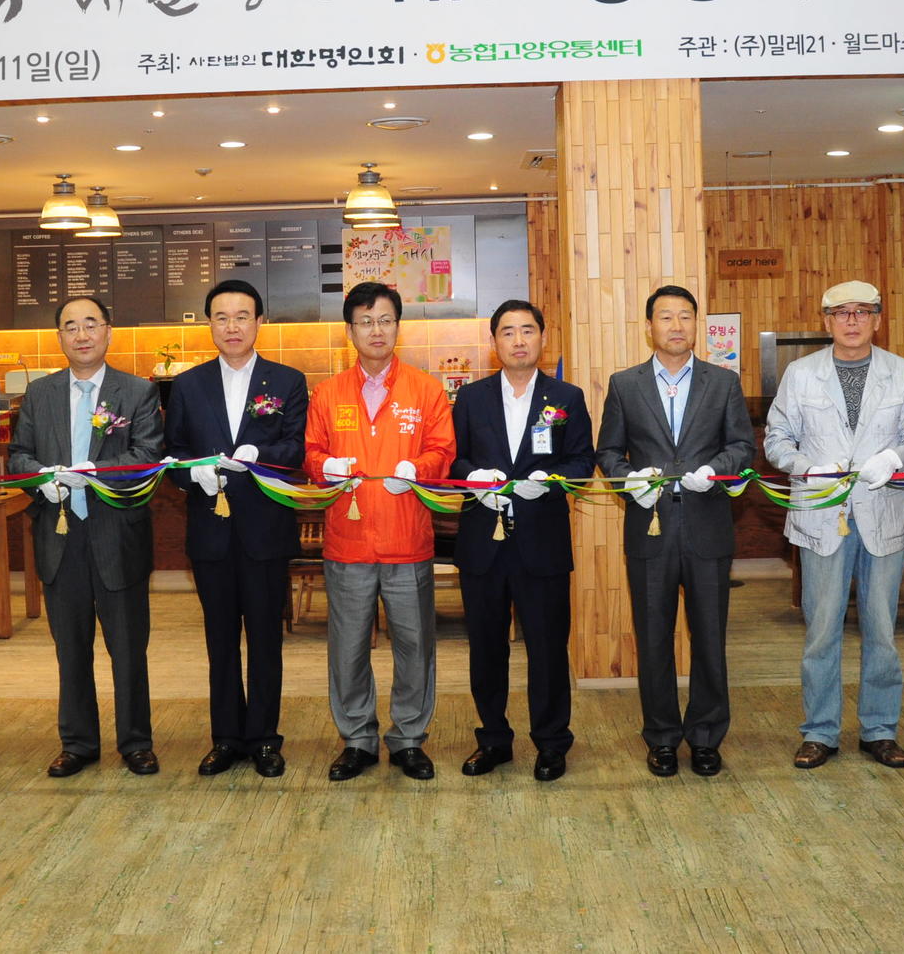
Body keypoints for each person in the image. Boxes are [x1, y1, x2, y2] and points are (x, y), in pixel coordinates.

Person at [764, 281, 904, 771]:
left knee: (882, 629)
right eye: (842, 312)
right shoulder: (800, 374)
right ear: (827, 321)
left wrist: (895, 457)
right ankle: (819, 731)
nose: (853, 320)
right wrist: (805, 467)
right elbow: (777, 439)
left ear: (878, 319)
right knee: (822, 630)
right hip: (821, 515)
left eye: (863, 311)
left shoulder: (901, 372)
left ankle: (880, 729)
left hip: (883, 513)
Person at [594, 284, 753, 778]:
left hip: (708, 527)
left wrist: (716, 470)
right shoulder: (625, 384)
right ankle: (661, 738)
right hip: (650, 528)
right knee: (653, 638)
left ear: (695, 324)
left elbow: (742, 446)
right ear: (650, 327)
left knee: (710, 639)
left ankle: (705, 737)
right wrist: (629, 481)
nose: (676, 326)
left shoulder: (722, 382)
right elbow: (608, 452)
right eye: (666, 317)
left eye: (685, 316)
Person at [8, 295, 166, 778]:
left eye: (90, 324)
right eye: (70, 327)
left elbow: (146, 456)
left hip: (116, 536)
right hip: (59, 537)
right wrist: (41, 476)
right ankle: (77, 743)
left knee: (128, 649)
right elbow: (18, 456)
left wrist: (95, 471)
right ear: (59, 337)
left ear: (108, 331)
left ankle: (136, 742)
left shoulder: (137, 391)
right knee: (70, 650)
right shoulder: (40, 394)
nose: (81, 335)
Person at [305, 280, 456, 781]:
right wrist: (325, 466)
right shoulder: (328, 393)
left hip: (407, 540)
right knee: (348, 649)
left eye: (386, 320)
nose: (377, 330)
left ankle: (409, 739)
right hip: (347, 544)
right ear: (349, 330)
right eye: (366, 321)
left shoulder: (426, 389)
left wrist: (420, 468)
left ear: (398, 327)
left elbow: (443, 450)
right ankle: (358, 740)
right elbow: (311, 452)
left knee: (415, 648)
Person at [162, 280, 310, 779]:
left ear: (259, 322)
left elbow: (297, 450)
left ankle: (265, 738)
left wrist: (259, 454)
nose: (232, 326)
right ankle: (225, 737)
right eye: (221, 317)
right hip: (211, 532)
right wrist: (192, 475)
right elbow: (173, 453)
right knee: (220, 641)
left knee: (266, 639)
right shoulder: (187, 385)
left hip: (265, 531)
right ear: (209, 325)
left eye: (242, 316)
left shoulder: (286, 381)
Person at [448, 300, 593, 782]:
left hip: (541, 541)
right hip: (483, 543)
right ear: (494, 342)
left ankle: (551, 743)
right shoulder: (471, 398)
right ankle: (493, 739)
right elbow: (454, 459)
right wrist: (474, 477)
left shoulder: (566, 397)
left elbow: (582, 462)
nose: (518, 340)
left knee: (547, 648)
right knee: (486, 648)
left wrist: (550, 481)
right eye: (507, 332)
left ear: (542, 338)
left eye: (527, 330)